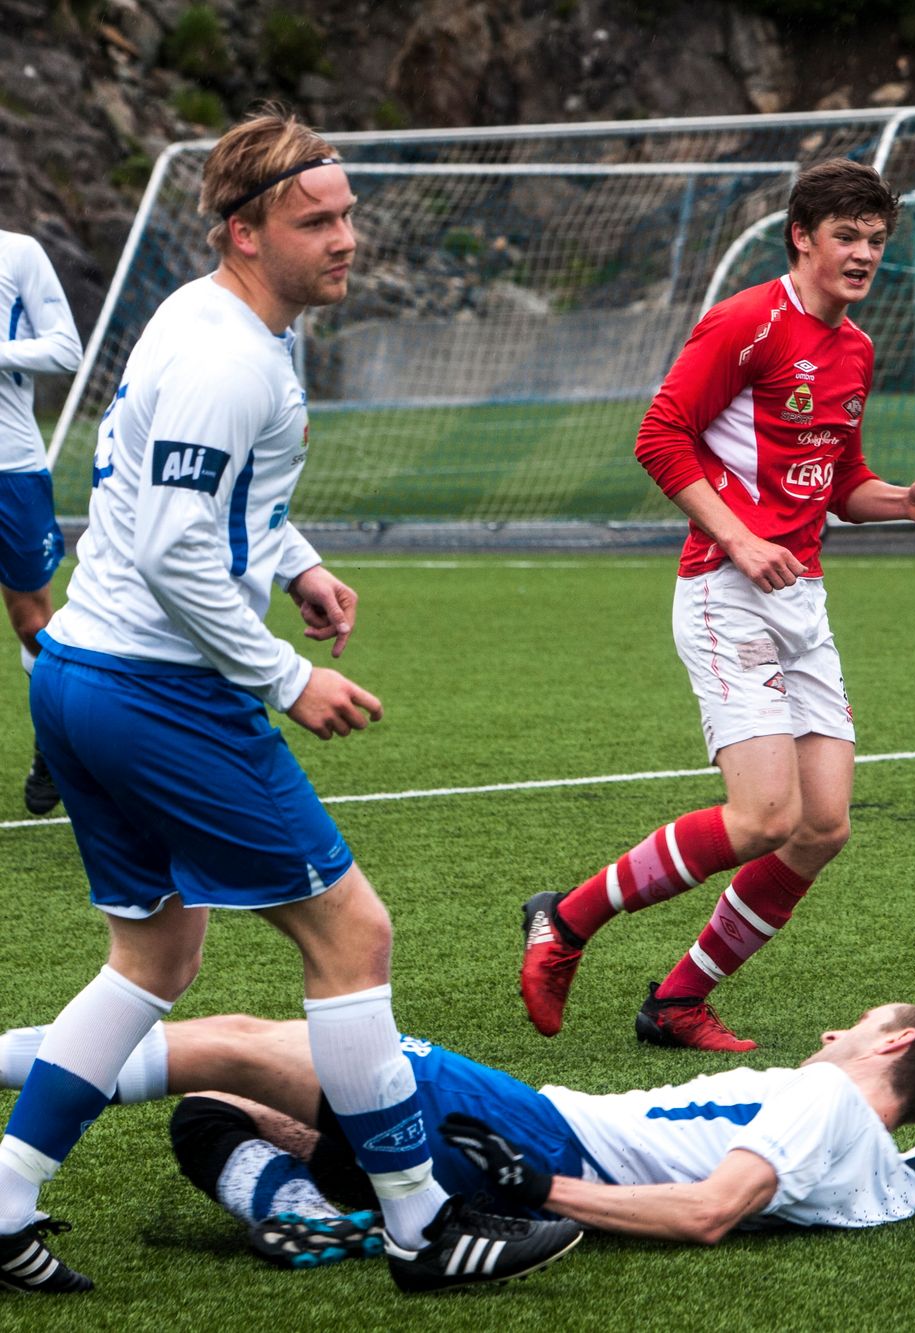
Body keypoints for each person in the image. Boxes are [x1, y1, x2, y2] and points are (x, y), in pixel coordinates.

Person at [0, 111, 580, 1296]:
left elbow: (210, 496)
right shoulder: (227, 356)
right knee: (350, 934)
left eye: (349, 213)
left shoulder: (211, 318)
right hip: (157, 691)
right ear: (244, 230)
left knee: (154, 957)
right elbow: (171, 545)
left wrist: (297, 559)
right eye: (317, 220)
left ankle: (3, 1193)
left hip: (82, 677)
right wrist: (285, 674)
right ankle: (423, 1224)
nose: (347, 238)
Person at [520, 159, 915, 1052]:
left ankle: (676, 1001)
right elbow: (659, 436)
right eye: (847, 237)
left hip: (801, 598)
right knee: (764, 817)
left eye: (876, 241)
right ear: (803, 236)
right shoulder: (748, 321)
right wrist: (738, 537)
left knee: (822, 826)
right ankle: (564, 921)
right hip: (725, 592)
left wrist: (898, 502)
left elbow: (840, 487)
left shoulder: (857, 349)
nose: (864, 255)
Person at [0, 1003, 915, 1262]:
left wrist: (528, 1189)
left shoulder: (825, 1102)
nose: (830, 1029)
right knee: (219, 1110)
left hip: (532, 1136)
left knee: (235, 1044)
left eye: (854, 1024)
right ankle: (311, 1214)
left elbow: (706, 1211)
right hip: (521, 1143)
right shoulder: (890, 1177)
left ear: (892, 1040)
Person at [0, 226, 81, 815]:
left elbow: (65, 350)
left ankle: (56, 745)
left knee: (32, 624)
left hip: (11, 467)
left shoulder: (17, 252)